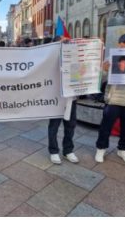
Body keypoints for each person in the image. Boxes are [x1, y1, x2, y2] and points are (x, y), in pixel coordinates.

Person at [95, 33, 125, 164]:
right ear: (119, 44)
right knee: (106, 126)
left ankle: (123, 150)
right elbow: (100, 78)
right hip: (114, 98)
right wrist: (103, 70)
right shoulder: (110, 58)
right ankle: (101, 148)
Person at [48, 35, 79, 165]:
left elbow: (77, 76)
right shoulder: (49, 60)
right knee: (54, 126)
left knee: (70, 125)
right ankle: (54, 151)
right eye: (62, 43)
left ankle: (68, 150)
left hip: (71, 97)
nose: (65, 45)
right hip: (56, 97)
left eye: (67, 42)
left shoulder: (74, 59)